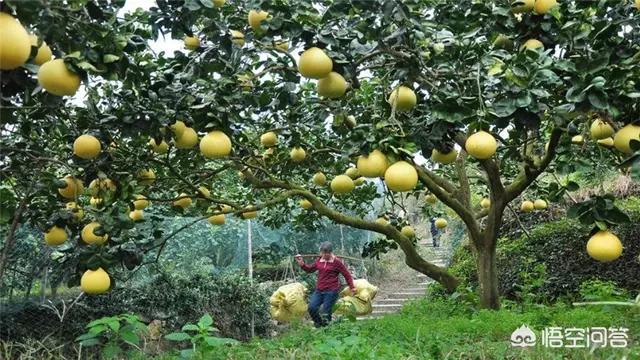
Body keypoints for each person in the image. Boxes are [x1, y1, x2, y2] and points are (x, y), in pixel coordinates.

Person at [295, 241, 356, 328]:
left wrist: (352, 287)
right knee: (312, 308)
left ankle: (326, 330)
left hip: (331, 291)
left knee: (326, 313)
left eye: (325, 254)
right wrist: (302, 264)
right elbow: (310, 269)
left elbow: (347, 275)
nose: (323, 255)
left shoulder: (336, 262)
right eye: (322, 253)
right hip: (319, 290)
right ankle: (319, 325)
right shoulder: (319, 260)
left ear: (330, 253)